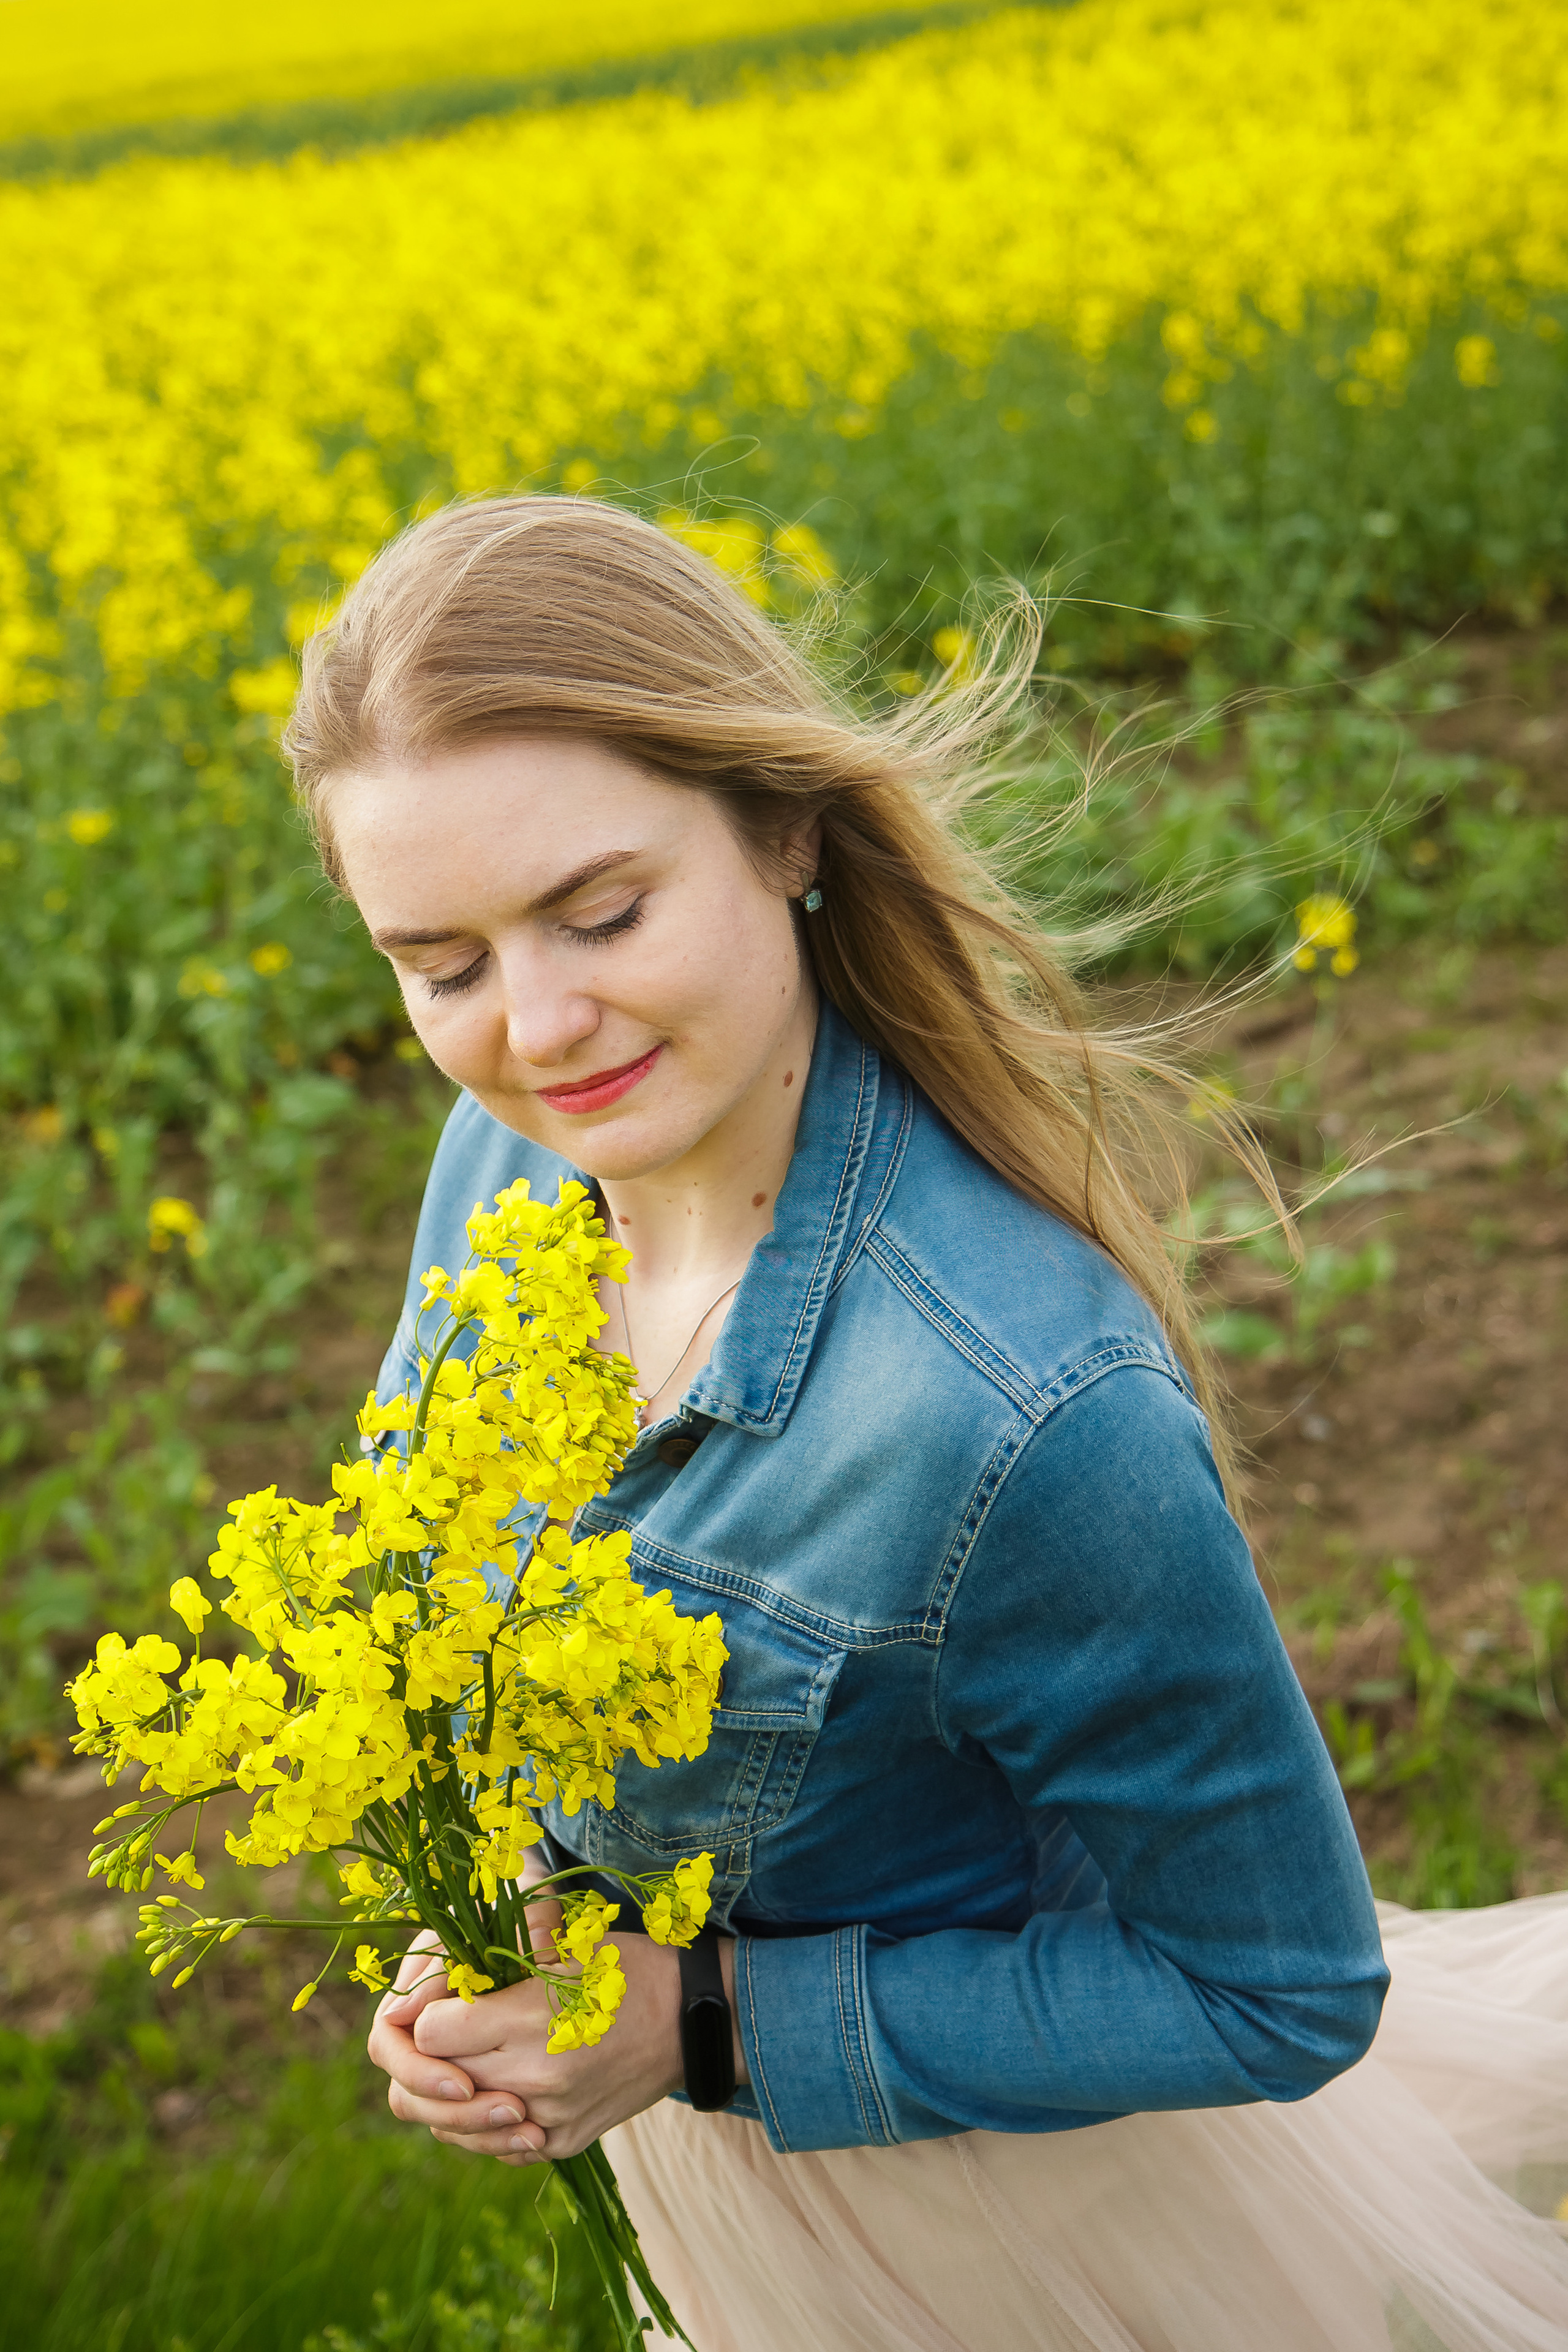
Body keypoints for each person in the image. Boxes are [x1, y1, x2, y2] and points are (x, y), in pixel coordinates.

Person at [284, 497, 1568, 2351]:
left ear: (785, 829)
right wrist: (507, 1926)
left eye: (601, 913)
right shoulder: (513, 1157)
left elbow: (1277, 1988)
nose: (538, 1028)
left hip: (1001, 2241)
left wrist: (701, 2021)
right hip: (723, 2207)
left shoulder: (1027, 1407)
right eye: (443, 964)